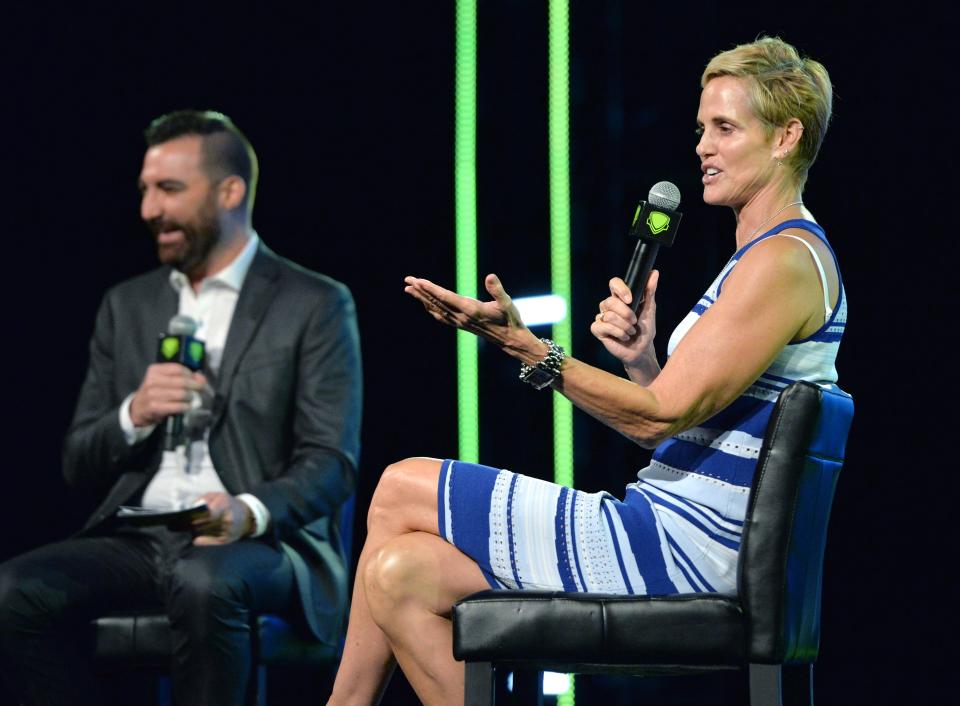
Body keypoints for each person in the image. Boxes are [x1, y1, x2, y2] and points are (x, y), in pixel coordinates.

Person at [323, 36, 845, 706]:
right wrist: (643, 360)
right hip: (672, 528)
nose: (701, 148)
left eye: (724, 129)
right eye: (700, 129)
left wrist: (528, 349)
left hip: (682, 548)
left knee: (400, 486)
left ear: (785, 138)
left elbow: (657, 415)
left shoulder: (784, 261)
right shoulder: (766, 260)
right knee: (400, 574)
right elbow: (672, 424)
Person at [0, 110, 363, 706]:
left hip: (262, 542)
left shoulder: (313, 303)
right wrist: (133, 413)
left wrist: (246, 511)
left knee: (203, 581)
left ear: (229, 192)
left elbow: (331, 462)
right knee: (14, 591)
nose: (148, 210)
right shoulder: (128, 304)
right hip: (143, 536)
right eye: (145, 189)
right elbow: (77, 462)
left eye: (169, 189)